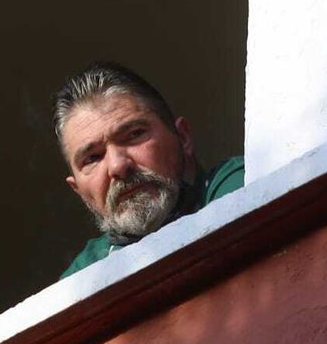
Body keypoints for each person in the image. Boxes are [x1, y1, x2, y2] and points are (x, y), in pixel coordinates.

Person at [53, 61, 245, 279]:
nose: (118, 166)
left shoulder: (239, 183)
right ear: (79, 191)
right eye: (93, 158)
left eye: (135, 134)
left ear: (182, 138)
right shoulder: (83, 276)